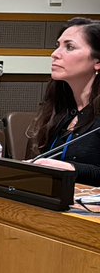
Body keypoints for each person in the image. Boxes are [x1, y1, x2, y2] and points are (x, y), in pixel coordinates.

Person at [30, 18, 100, 184]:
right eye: (58, 45)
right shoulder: (62, 110)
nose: (54, 54)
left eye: (69, 47)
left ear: (97, 62)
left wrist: (72, 169)